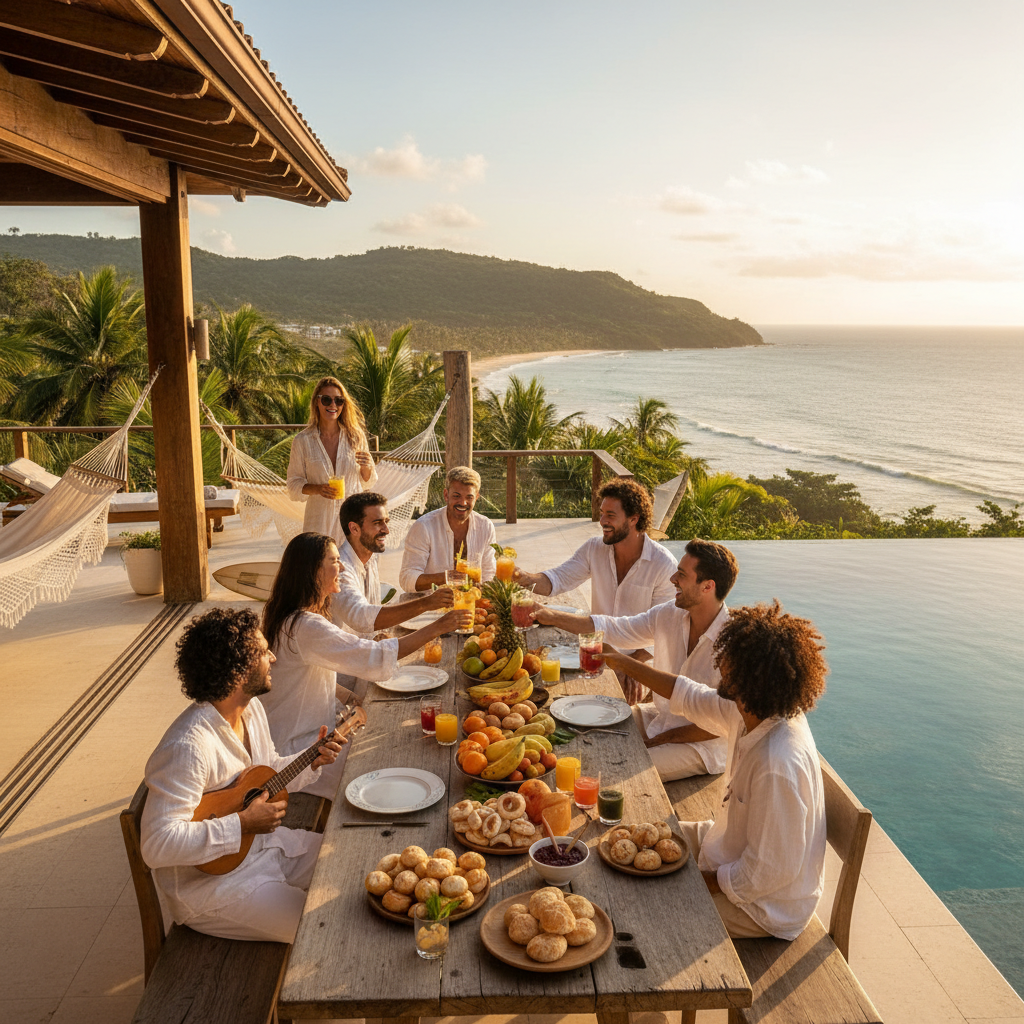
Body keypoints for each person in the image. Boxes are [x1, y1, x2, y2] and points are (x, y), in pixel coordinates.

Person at [598, 600, 828, 940]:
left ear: (750, 677)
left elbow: (767, 873)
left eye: (729, 659)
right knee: (623, 842)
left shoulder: (777, 764)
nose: (719, 663)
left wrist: (694, 882)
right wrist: (622, 662)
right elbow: (689, 694)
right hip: (724, 845)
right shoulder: (754, 710)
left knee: (639, 904)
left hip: (762, 907)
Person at [141, 608, 344, 944]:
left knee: (348, 862)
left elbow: (265, 776)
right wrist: (242, 825)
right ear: (239, 669)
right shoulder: (187, 747)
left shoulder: (250, 710)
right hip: (215, 888)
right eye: (264, 652)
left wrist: (312, 759)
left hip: (265, 850)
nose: (274, 658)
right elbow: (156, 845)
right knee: (322, 930)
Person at [261, 532, 471, 798]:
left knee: (392, 742)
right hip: (298, 754)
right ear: (312, 572)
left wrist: (350, 696)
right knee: (383, 760)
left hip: (312, 735)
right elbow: (373, 654)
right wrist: (439, 626)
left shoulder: (291, 617)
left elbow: (300, 677)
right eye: (334, 561)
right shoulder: (305, 625)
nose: (343, 567)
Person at [534, 538, 737, 781]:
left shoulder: (734, 643)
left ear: (707, 586)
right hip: (661, 716)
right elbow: (614, 628)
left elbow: (725, 722)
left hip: (701, 744)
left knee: (622, 764)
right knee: (584, 727)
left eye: (681, 575)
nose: (673, 579)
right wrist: (548, 615)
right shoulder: (669, 614)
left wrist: (658, 740)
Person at [516, 478, 676, 694]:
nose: (602, 521)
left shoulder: (663, 564)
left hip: (640, 664)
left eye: (610, 515)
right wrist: (522, 577)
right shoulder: (594, 548)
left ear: (633, 519)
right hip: (595, 653)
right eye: (602, 513)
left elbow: (664, 629)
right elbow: (557, 579)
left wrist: (629, 667)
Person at [332, 491, 453, 639]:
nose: (386, 530)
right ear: (354, 529)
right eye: (377, 523)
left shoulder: (370, 557)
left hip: (367, 649)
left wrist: (377, 636)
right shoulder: (339, 569)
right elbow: (361, 618)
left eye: (386, 522)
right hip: (344, 658)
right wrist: (427, 603)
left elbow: (369, 615)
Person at [287, 376, 377, 545]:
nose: (333, 405)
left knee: (350, 569)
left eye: (339, 401)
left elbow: (367, 481)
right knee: (318, 568)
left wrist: (367, 466)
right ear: (316, 402)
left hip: (352, 523)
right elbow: (293, 485)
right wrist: (318, 489)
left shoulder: (355, 437)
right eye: (326, 400)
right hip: (318, 522)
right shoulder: (303, 441)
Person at [398, 465, 497, 592]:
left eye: (469, 497)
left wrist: (483, 592)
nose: (463, 503)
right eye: (456, 496)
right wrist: (449, 577)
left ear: (476, 497)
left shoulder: (485, 526)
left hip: (471, 604)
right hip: (431, 605)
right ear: (446, 495)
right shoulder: (423, 527)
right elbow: (407, 579)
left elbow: (489, 573)